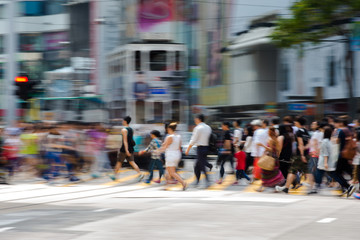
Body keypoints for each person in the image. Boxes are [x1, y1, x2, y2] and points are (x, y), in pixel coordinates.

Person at [276, 116, 310, 194]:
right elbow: (309, 143)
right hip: (301, 154)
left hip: (297, 155)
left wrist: (301, 154)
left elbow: (300, 144)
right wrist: (305, 151)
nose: (294, 123)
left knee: (294, 170)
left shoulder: (298, 132)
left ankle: (311, 186)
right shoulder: (305, 131)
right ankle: (288, 186)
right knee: (298, 170)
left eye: (296, 122)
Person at [113, 116, 144, 181]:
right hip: (131, 148)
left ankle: (115, 176)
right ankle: (140, 174)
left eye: (122, 121)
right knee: (132, 162)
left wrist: (126, 150)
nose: (122, 122)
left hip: (124, 149)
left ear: (125, 121)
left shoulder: (124, 130)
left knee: (119, 162)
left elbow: (125, 141)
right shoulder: (131, 129)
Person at [185, 114, 212, 187]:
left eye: (195, 118)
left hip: (200, 148)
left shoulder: (198, 128)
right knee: (197, 166)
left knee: (201, 166)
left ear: (199, 119)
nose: (194, 120)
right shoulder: (208, 127)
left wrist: (187, 149)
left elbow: (193, 140)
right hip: (206, 148)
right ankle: (197, 181)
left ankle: (207, 182)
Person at [159, 123, 187, 190]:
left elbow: (165, 147)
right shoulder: (178, 136)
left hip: (170, 154)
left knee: (172, 172)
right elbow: (180, 147)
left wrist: (158, 151)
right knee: (168, 171)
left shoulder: (169, 137)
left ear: (169, 129)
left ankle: (183, 183)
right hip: (177, 154)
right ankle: (166, 185)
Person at [257, 127, 285, 191]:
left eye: (268, 131)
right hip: (274, 157)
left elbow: (270, 149)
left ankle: (261, 187)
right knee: (274, 172)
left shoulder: (270, 140)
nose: (267, 132)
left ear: (270, 132)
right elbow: (278, 150)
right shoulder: (276, 139)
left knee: (265, 172)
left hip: (270, 157)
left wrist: (262, 145)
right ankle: (275, 187)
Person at [310, 127, 336, 194]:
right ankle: (317, 186)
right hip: (326, 160)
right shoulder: (328, 141)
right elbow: (325, 152)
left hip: (324, 161)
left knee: (321, 173)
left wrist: (325, 162)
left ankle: (317, 187)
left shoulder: (325, 141)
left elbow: (325, 153)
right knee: (320, 173)